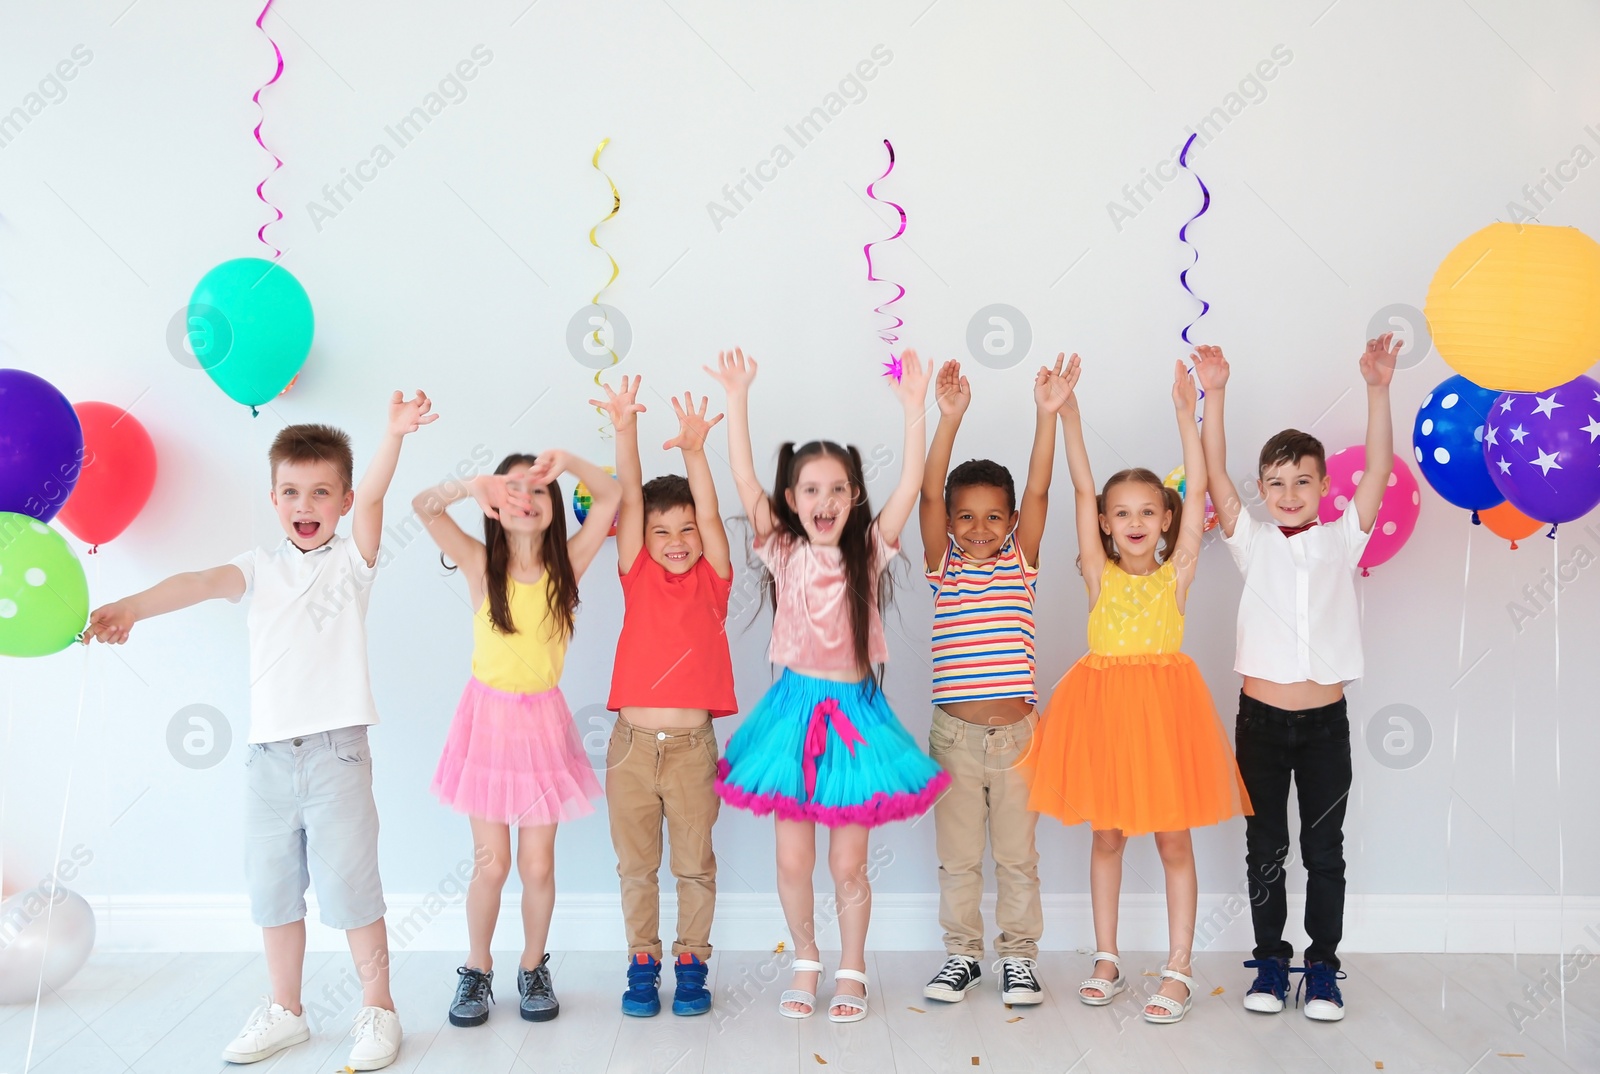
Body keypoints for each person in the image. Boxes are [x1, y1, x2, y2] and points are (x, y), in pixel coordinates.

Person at [84, 392, 437, 1069]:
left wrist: (393, 434)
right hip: (267, 761)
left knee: (353, 888)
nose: (306, 504)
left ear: (342, 499)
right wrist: (131, 604)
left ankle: (378, 1008)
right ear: (275, 499)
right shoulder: (258, 567)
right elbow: (196, 580)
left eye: (321, 492)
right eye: (292, 492)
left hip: (337, 755)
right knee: (273, 890)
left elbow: (376, 504)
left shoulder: (351, 564)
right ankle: (286, 1010)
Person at [706, 347, 949, 1022]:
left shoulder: (869, 549)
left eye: (837, 489)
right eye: (810, 490)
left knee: (847, 863)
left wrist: (913, 411)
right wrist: (737, 398)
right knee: (791, 861)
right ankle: (806, 957)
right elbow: (744, 478)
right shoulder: (780, 547)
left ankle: (851, 965)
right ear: (793, 501)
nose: (823, 500)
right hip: (790, 716)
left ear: (853, 497)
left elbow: (908, 489)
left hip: (854, 717)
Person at [1027, 357, 1248, 1024]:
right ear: (1103, 523)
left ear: (1168, 521)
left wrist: (1191, 415)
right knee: (1108, 838)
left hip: (1164, 717)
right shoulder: (1097, 572)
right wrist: (1068, 415)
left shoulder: (1176, 573)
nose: (1134, 521)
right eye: (1121, 512)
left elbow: (1202, 479)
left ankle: (1179, 964)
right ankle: (1107, 956)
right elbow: (1078, 487)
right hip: (1102, 717)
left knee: (1174, 842)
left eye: (1148, 511)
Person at [1193, 335, 1397, 1022]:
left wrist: (1376, 389)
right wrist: (1214, 393)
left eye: (1302, 481)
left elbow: (1376, 469)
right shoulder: (1248, 540)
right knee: (1266, 850)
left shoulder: (1344, 537)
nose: (1287, 493)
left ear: (1323, 487)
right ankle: (1271, 962)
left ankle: (1324, 967)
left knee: (1324, 850)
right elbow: (1215, 473)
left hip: (1323, 727)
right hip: (1259, 722)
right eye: (1275, 483)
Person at [413, 447, 619, 1027]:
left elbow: (610, 498)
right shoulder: (481, 565)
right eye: (512, 493)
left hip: (542, 729)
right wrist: (474, 481)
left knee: (537, 865)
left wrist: (569, 462)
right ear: (495, 508)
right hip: (487, 727)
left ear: (553, 505)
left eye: (537, 491)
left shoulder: (568, 566)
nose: (525, 500)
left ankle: (533, 967)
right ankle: (476, 970)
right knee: (491, 865)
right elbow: (422, 506)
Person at [916, 355, 1068, 1006]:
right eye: (966, 516)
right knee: (958, 859)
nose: (980, 529)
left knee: (1016, 858)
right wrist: (947, 419)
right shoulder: (942, 565)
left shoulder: (1021, 565)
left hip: (1018, 740)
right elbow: (926, 494)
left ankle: (1018, 958)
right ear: (950, 522)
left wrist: (1046, 414)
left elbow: (1039, 490)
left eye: (993, 517)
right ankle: (961, 955)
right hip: (953, 737)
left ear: (1010, 523)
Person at [590, 376, 736, 1018]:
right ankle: (642, 962)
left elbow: (707, 514)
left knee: (694, 865)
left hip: (692, 749)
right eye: (660, 531)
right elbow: (627, 493)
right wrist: (626, 429)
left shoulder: (715, 580)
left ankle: (692, 962)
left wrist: (696, 453)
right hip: (628, 747)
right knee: (636, 867)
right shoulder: (636, 572)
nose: (677, 540)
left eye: (686, 530)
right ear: (640, 540)